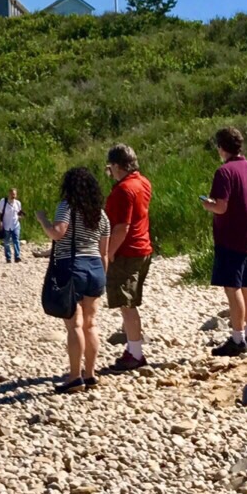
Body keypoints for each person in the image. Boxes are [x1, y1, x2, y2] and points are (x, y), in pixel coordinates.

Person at [38, 167, 110, 393]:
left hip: (72, 266)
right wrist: (103, 278)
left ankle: (74, 376)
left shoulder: (66, 207)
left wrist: (42, 220)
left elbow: (58, 233)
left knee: (75, 325)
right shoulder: (101, 213)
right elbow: (104, 252)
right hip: (96, 268)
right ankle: (90, 374)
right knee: (91, 324)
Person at [203, 127, 247, 357]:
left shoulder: (224, 172)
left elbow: (221, 206)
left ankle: (238, 337)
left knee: (233, 288)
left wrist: (207, 204)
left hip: (230, 238)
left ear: (221, 147)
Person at [102, 144, 156, 373]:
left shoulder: (123, 190)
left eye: (111, 167)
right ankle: (133, 348)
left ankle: (135, 353)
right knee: (129, 302)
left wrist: (108, 253)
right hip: (143, 247)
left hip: (127, 251)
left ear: (116, 165)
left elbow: (122, 227)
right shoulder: (142, 182)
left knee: (126, 304)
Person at [0, 188, 23, 263]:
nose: (13, 196)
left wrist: (21, 216)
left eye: (14, 194)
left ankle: (17, 257)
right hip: (6, 225)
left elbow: (19, 213)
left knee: (16, 241)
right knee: (6, 242)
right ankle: (8, 257)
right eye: (11, 194)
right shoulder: (3, 202)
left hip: (15, 225)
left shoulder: (18, 203)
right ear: (9, 194)